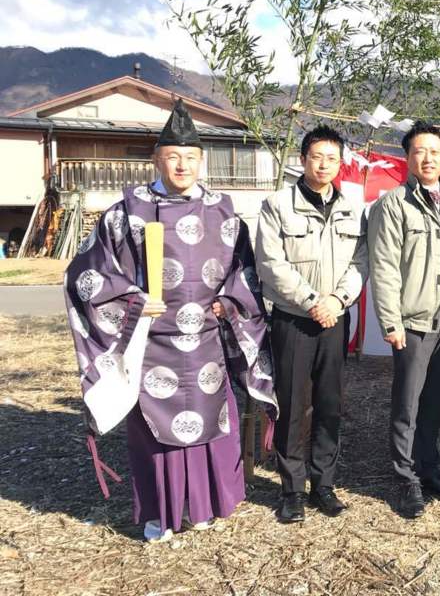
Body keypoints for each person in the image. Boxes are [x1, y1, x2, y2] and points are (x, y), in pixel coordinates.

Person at [63, 100, 278, 543]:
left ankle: (205, 506)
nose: (182, 165)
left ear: (202, 161)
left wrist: (228, 303)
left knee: (209, 423)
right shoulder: (127, 213)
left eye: (191, 157)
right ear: (157, 159)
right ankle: (161, 512)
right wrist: (133, 301)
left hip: (205, 342)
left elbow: (245, 273)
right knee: (155, 434)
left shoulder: (223, 211)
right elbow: (87, 276)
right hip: (148, 341)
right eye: (173, 157)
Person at [255, 126, 367, 524]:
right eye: (317, 156)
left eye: (332, 158)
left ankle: (324, 484)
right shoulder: (277, 204)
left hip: (335, 318)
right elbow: (270, 263)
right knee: (293, 405)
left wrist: (337, 301)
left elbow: (360, 261)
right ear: (302, 160)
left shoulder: (352, 205)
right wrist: (310, 301)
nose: (324, 164)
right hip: (294, 320)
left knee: (331, 404)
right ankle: (291, 489)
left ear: (341, 163)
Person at [367, 120, 440, 519]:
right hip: (414, 318)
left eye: (434, 151)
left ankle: (429, 468)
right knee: (407, 402)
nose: (427, 158)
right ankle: (404, 477)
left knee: (435, 400)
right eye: (419, 152)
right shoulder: (393, 204)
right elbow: (384, 267)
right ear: (407, 158)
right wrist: (390, 322)